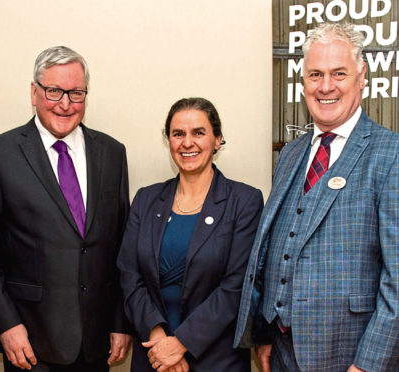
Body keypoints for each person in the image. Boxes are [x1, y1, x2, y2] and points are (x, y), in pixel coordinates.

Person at [235, 22, 399, 372]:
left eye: (339, 74)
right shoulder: (292, 154)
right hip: (281, 351)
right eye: (315, 74)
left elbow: (397, 279)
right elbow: (274, 248)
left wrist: (369, 365)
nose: (326, 86)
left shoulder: (391, 154)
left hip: (348, 356)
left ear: (362, 77)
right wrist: (264, 333)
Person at [0, 46, 131, 372]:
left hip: (96, 342)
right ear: (34, 93)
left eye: (75, 93)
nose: (65, 104)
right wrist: (5, 325)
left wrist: (120, 322)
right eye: (54, 91)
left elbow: (120, 249)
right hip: (30, 342)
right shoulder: (1, 154)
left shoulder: (112, 153)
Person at [117, 97, 264, 371]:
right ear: (169, 141)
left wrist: (180, 343)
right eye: (178, 134)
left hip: (216, 359)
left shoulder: (244, 201)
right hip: (153, 356)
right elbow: (129, 275)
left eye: (199, 133)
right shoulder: (146, 199)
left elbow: (238, 286)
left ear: (217, 139)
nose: (187, 143)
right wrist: (158, 337)